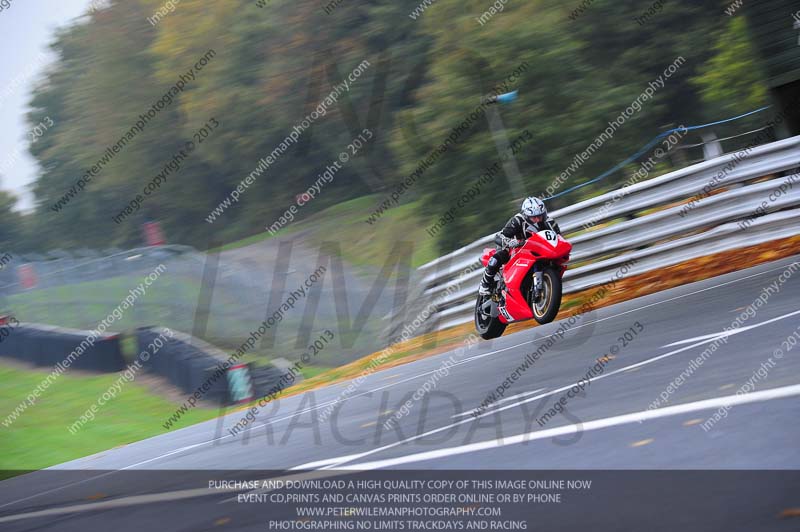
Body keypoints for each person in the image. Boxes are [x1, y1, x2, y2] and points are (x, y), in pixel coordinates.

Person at [479, 196, 561, 295]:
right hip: (515, 249)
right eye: (534, 217)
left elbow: (558, 237)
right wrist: (509, 242)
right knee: (498, 257)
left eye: (540, 216)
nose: (537, 220)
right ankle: (485, 285)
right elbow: (499, 236)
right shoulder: (517, 220)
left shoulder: (550, 223)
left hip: (538, 250)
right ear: (526, 215)